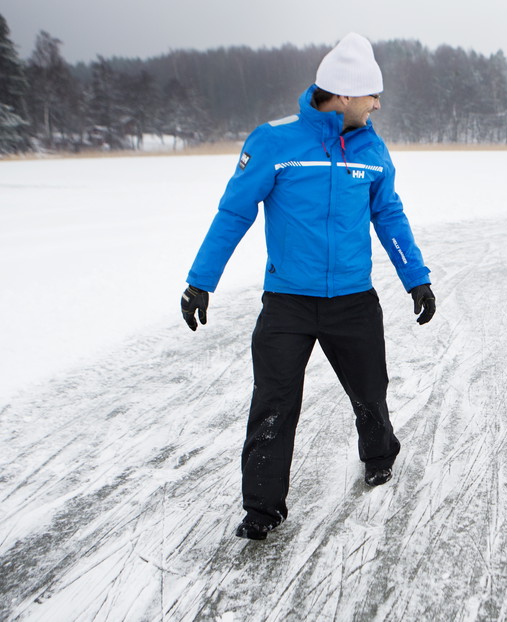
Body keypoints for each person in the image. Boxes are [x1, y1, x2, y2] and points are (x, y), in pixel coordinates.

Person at [180, 33, 435, 541]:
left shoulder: (372, 147)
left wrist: (416, 278)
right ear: (342, 96)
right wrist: (200, 281)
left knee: (371, 393)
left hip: (353, 301)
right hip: (288, 303)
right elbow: (234, 212)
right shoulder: (275, 141)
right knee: (273, 405)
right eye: (371, 96)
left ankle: (380, 455)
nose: (378, 104)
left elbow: (388, 214)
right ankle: (262, 508)